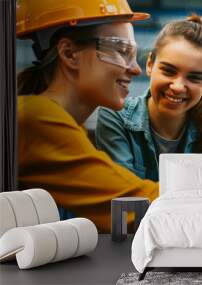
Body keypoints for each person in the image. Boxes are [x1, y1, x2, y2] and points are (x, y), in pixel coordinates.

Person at [17, 0, 158, 232]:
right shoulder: (38, 119)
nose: (136, 69)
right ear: (70, 54)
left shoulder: (56, 121)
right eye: (121, 51)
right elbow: (134, 206)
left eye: (133, 55)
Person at [96, 15, 202, 181]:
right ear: (149, 65)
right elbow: (124, 195)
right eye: (169, 71)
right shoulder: (115, 117)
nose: (178, 86)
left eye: (194, 77)